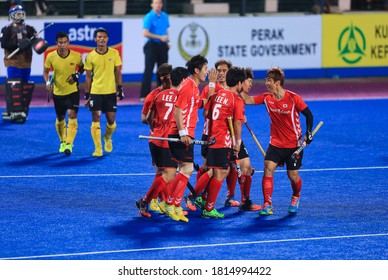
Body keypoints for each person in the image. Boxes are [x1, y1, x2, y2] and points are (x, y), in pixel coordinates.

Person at [239, 67, 314, 216]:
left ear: (278, 83)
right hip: (275, 144)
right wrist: (237, 85)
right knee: (268, 169)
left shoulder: (293, 98)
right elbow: (247, 99)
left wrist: (309, 133)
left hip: (294, 145)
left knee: (293, 176)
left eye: (269, 81)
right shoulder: (267, 98)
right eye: (266, 80)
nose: (266, 83)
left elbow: (309, 115)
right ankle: (267, 204)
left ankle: (296, 196)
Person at [136, 67, 188, 218]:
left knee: (161, 171)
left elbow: (146, 118)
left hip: (154, 139)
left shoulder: (155, 95)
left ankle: (160, 201)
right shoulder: (178, 94)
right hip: (167, 140)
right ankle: (147, 200)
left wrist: (156, 127)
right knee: (170, 173)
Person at [164, 54, 209, 223]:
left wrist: (211, 85)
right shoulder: (188, 86)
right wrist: (183, 133)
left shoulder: (193, 87)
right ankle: (172, 204)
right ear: (196, 70)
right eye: (205, 69)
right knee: (187, 169)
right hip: (180, 134)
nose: (206, 72)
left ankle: (173, 205)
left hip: (184, 133)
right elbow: (178, 110)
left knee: (184, 169)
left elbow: (199, 104)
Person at [199, 66, 248, 218]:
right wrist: (237, 143)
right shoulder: (237, 100)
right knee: (220, 173)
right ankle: (208, 208)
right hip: (222, 140)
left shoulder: (218, 94)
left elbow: (206, 113)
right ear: (239, 83)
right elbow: (238, 124)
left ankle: (204, 200)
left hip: (212, 137)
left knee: (220, 171)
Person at [84, 28, 124, 157]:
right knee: (96, 117)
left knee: (111, 120)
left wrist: (120, 88)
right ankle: (98, 148)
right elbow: (88, 77)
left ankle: (107, 137)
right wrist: (87, 95)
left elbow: (118, 72)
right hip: (95, 92)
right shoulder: (90, 56)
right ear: (95, 39)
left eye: (104, 37)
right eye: (99, 37)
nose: (102, 39)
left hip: (110, 92)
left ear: (107, 39)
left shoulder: (114, 53)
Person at [1, 5, 44, 123]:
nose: (20, 16)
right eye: (17, 13)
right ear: (12, 15)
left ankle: (23, 109)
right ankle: (14, 110)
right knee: (15, 85)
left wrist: (40, 44)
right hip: (12, 61)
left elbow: (37, 44)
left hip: (26, 62)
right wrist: (18, 45)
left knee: (25, 86)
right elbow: (4, 44)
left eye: (21, 13)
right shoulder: (6, 29)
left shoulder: (29, 29)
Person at [43, 31, 84, 155]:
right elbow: (45, 72)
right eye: (60, 43)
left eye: (65, 42)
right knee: (60, 118)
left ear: (68, 43)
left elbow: (82, 68)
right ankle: (62, 141)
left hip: (73, 91)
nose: (62, 45)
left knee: (72, 115)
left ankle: (69, 144)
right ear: (57, 43)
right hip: (58, 93)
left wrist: (76, 75)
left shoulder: (76, 56)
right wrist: (47, 82)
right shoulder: (50, 56)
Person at [139, 0, 170, 101]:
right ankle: (145, 95)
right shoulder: (149, 16)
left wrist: (167, 40)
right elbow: (145, 33)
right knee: (149, 70)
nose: (158, 5)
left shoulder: (165, 16)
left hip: (163, 45)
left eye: (160, 3)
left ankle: (162, 92)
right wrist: (160, 37)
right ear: (152, 4)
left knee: (163, 71)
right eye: (156, 3)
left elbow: (166, 30)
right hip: (151, 45)